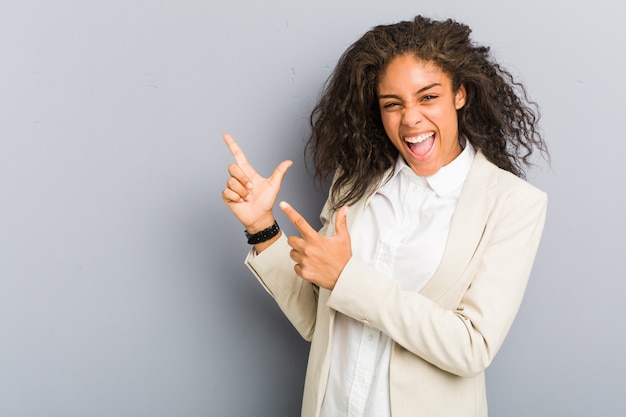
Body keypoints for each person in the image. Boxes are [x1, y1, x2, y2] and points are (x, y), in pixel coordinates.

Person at [221, 15, 548, 417]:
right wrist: (261, 227)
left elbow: (472, 347)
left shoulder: (513, 203)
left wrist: (349, 278)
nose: (410, 118)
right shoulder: (355, 181)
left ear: (459, 94)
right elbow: (316, 319)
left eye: (428, 97)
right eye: (393, 104)